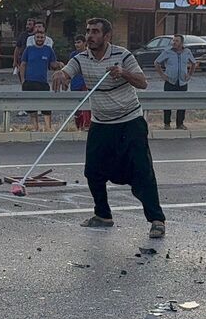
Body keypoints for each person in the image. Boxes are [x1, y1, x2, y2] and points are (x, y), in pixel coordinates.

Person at [52, 17, 166, 238]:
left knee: (143, 173)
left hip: (130, 122)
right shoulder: (81, 58)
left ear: (107, 36)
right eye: (88, 31)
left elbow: (142, 82)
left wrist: (123, 73)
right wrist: (60, 75)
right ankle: (103, 215)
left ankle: (157, 220)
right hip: (101, 124)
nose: (89, 36)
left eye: (95, 32)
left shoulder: (123, 55)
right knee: (93, 171)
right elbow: (67, 72)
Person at [18, 26, 61, 131]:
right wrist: (23, 80)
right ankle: (35, 127)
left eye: (42, 37)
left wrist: (60, 65)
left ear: (45, 38)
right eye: (38, 37)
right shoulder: (29, 49)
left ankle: (48, 127)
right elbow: (23, 65)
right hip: (29, 82)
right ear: (34, 38)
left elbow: (53, 64)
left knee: (46, 106)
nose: (40, 39)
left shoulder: (48, 50)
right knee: (31, 106)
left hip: (42, 82)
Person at [154, 34, 196, 130]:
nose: (174, 42)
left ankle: (180, 124)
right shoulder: (167, 52)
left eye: (176, 41)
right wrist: (162, 75)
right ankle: (167, 124)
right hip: (170, 82)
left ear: (181, 43)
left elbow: (193, 63)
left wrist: (189, 75)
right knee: (167, 103)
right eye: (173, 41)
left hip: (182, 82)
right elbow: (156, 63)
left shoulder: (187, 52)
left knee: (182, 104)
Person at [69, 35, 92, 131]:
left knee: (86, 106)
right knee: (77, 108)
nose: (77, 44)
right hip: (75, 83)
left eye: (79, 42)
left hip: (85, 83)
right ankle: (78, 126)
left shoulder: (89, 54)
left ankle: (86, 125)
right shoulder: (73, 55)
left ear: (84, 43)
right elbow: (69, 68)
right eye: (75, 42)